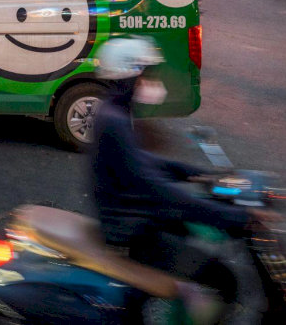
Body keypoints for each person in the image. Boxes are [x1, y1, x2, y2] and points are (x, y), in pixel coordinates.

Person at [91, 37, 270, 321]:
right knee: (222, 279)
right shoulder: (115, 121)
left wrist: (193, 172)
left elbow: (141, 162)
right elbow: (157, 189)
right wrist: (235, 217)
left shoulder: (113, 112)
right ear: (128, 75)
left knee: (190, 233)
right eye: (145, 73)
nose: (150, 79)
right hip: (133, 235)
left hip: (134, 218)